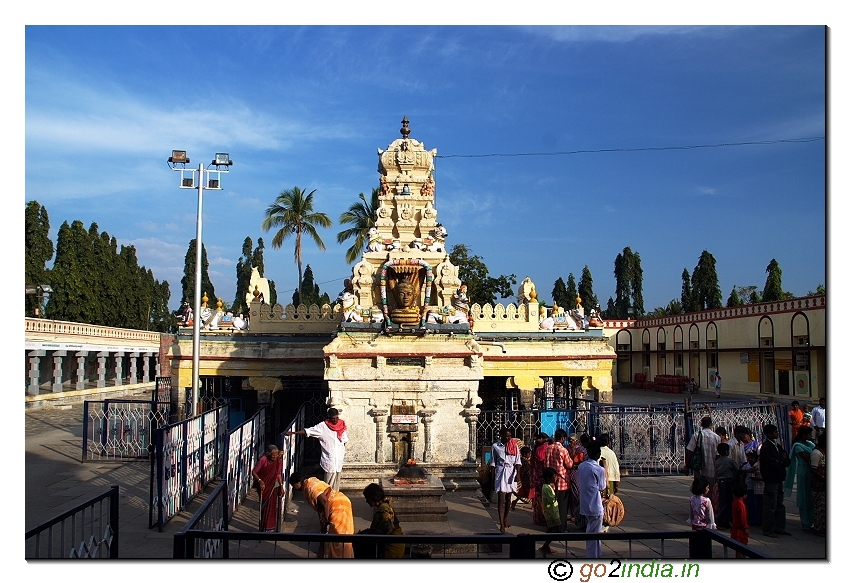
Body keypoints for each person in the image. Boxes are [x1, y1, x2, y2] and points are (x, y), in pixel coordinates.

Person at [288, 472, 354, 558]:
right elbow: (320, 508)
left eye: (294, 486)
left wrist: (326, 521)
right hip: (341, 502)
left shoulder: (310, 486)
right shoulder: (311, 482)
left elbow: (325, 501)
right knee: (343, 537)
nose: (294, 488)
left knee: (338, 539)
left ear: (298, 482)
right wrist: (322, 524)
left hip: (338, 506)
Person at [285, 407, 348, 490]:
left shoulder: (342, 425)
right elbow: (308, 431)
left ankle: (335, 499)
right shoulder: (322, 426)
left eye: (337, 418)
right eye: (333, 418)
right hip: (330, 460)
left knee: (336, 484)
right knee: (328, 485)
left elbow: (344, 440)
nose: (335, 420)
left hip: (339, 459)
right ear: (329, 417)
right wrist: (294, 433)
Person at [355, 483, 405, 558]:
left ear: (372, 498)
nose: (366, 501)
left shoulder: (383, 511)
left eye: (367, 498)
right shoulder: (386, 507)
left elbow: (378, 533)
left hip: (390, 549)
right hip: (397, 545)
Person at [759, 423, 791, 537]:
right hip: (771, 479)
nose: (777, 434)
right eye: (775, 432)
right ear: (770, 434)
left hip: (779, 478)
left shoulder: (777, 446)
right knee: (770, 505)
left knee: (779, 504)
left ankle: (779, 527)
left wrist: (781, 461)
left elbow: (786, 460)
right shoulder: (766, 447)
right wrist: (780, 461)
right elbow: (772, 463)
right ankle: (768, 529)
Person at [578, 440, 608, 558]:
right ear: (597, 454)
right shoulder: (598, 469)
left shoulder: (582, 466)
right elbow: (602, 486)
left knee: (594, 529)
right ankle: (593, 555)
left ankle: (597, 552)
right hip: (595, 504)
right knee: (593, 532)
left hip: (585, 502)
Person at [489, 428, 522, 533]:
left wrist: (518, 475)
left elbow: (517, 461)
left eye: (510, 436)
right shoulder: (495, 446)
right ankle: (501, 524)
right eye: (506, 436)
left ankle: (505, 518)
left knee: (508, 498)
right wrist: (493, 478)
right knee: (501, 499)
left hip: (511, 472)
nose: (508, 438)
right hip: (500, 471)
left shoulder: (514, 445)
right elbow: (493, 463)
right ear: (501, 436)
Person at [784, 425, 815, 531]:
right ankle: (806, 522)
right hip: (803, 472)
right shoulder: (797, 446)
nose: (811, 436)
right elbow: (808, 459)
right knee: (804, 497)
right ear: (804, 435)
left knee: (811, 497)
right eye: (809, 434)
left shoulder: (810, 444)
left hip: (811, 472)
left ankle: (813, 520)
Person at [685, 416, 721, 505]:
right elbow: (718, 455)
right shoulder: (717, 437)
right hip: (711, 468)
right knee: (710, 490)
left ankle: (698, 507)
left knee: (698, 489)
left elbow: (690, 451)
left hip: (699, 468)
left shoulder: (697, 435)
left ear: (701, 424)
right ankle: (708, 508)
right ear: (711, 425)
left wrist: (687, 465)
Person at [545, 428, 574, 532]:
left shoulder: (548, 448)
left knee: (552, 506)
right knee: (562, 507)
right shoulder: (563, 450)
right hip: (562, 482)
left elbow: (546, 463)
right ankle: (561, 529)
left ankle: (552, 527)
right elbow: (569, 464)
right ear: (562, 438)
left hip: (550, 481)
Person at [251, 444, 283, 531]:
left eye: (276, 455)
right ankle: (264, 527)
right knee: (265, 506)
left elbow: (278, 474)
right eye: (273, 455)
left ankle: (271, 527)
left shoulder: (279, 461)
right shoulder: (263, 460)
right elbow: (254, 472)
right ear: (268, 454)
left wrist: (281, 486)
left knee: (273, 506)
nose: (275, 456)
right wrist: (260, 481)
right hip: (264, 485)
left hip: (275, 484)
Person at [713, 443, 739, 529]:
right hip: (728, 482)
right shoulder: (730, 461)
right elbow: (737, 469)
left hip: (720, 482)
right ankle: (719, 520)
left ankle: (725, 521)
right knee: (727, 503)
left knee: (723, 502)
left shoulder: (717, 461)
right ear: (727, 451)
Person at [565, 434, 587, 526]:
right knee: (569, 495)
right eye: (569, 440)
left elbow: (581, 462)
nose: (570, 442)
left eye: (572, 441)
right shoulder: (566, 449)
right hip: (568, 472)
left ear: (576, 441)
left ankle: (576, 515)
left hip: (576, 472)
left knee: (576, 494)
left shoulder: (580, 450)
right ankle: (570, 513)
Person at [538, 467, 561, 556]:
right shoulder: (547, 488)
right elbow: (553, 499)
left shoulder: (547, 487)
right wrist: (557, 488)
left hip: (552, 511)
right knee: (555, 530)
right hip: (551, 513)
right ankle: (544, 546)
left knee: (551, 528)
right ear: (548, 478)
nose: (555, 478)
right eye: (554, 477)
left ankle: (546, 546)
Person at [530, 433, 550, 526]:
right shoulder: (541, 449)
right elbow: (541, 458)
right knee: (542, 498)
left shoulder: (537, 448)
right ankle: (542, 518)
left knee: (539, 498)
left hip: (537, 475)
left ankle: (538, 518)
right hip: (542, 476)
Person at [809, 433, 826, 537]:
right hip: (819, 484)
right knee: (819, 506)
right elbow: (813, 469)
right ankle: (819, 528)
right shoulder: (816, 453)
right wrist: (823, 477)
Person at [741, 450, 763, 526]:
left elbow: (749, 471)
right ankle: (750, 519)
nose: (750, 459)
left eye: (752, 458)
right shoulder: (746, 465)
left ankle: (757, 519)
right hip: (749, 487)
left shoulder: (758, 465)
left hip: (757, 489)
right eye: (749, 457)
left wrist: (742, 470)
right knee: (749, 504)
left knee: (757, 505)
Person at [730, 482, 749, 558]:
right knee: (741, 548)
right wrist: (745, 527)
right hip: (740, 529)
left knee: (737, 548)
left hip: (735, 527)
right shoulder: (741, 504)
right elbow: (743, 517)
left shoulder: (734, 502)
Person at [511, 446, 532, 510]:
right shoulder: (526, 462)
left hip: (523, 479)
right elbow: (528, 471)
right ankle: (533, 505)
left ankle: (515, 501)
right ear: (525, 454)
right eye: (529, 454)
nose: (530, 455)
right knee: (532, 493)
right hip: (528, 479)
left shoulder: (520, 460)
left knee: (523, 492)